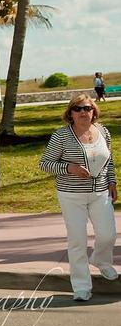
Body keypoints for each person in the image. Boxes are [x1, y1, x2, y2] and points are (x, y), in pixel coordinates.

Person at [39, 93, 118, 301]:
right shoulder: (61, 136)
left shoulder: (103, 132)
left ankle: (101, 261)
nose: (84, 112)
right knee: (77, 241)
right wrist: (69, 167)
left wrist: (112, 181)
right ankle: (81, 286)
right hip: (71, 195)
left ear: (94, 111)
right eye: (78, 109)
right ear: (70, 113)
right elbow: (45, 163)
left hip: (100, 192)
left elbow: (109, 160)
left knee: (108, 234)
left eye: (88, 108)